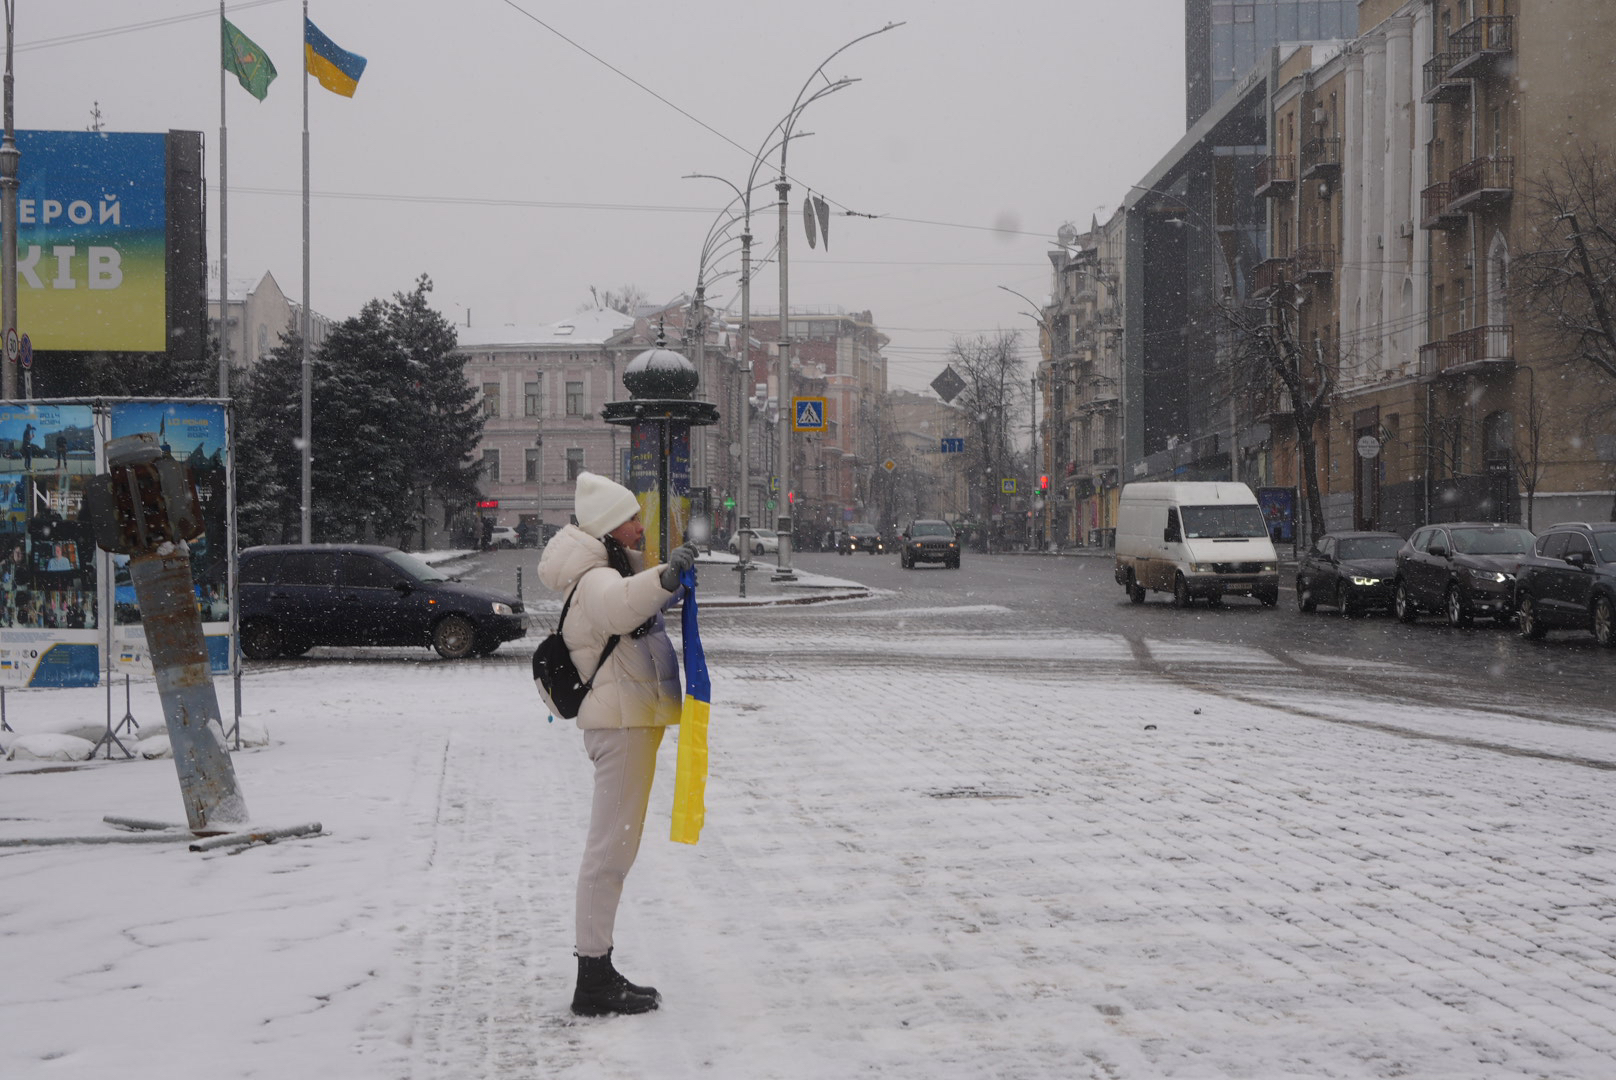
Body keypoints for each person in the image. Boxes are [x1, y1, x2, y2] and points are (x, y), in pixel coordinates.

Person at [536, 471, 698, 1017]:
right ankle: (593, 978)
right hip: (622, 728)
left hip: (627, 722)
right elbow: (624, 604)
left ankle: (598, 968)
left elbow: (634, 609)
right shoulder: (597, 581)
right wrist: (666, 577)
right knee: (608, 853)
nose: (639, 526)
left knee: (613, 850)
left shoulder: (604, 570)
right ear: (607, 527)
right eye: (630, 518)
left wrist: (666, 580)